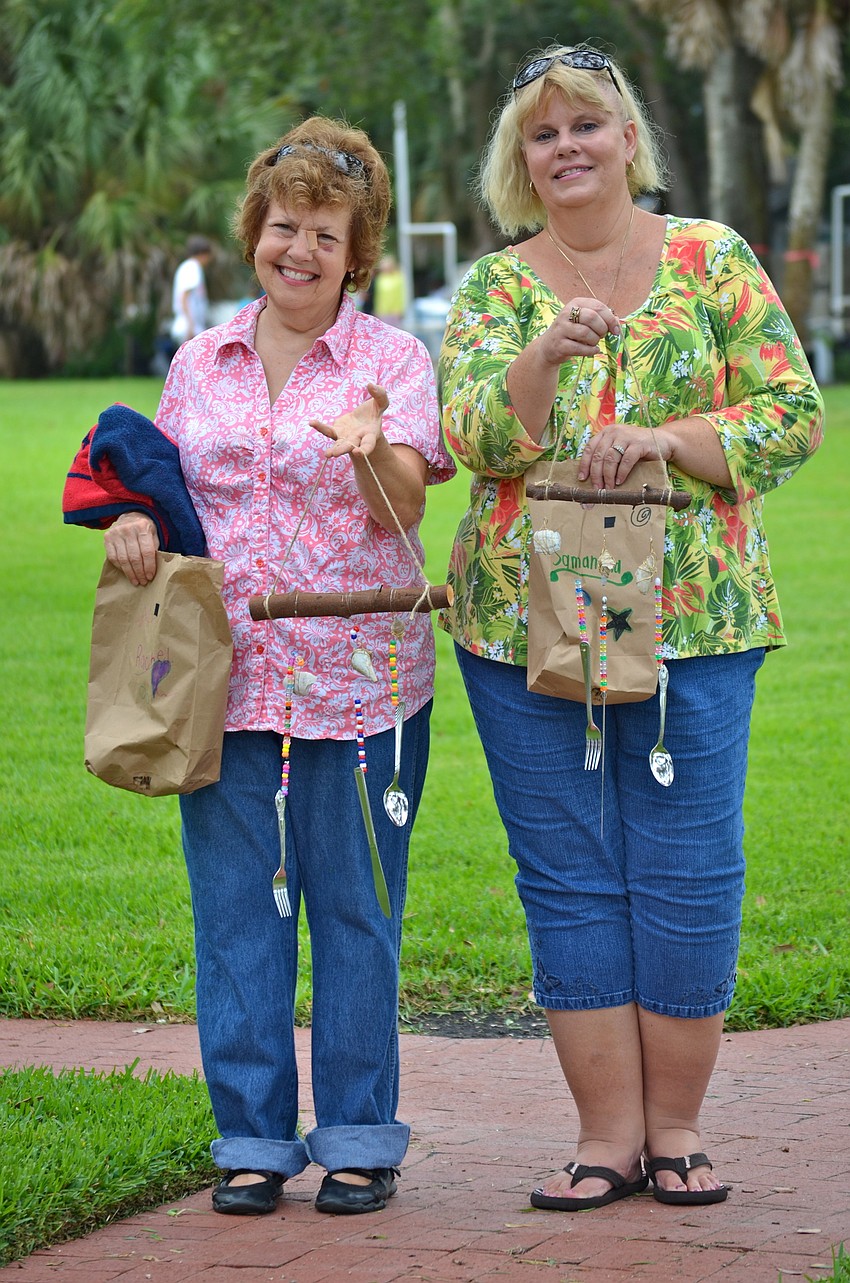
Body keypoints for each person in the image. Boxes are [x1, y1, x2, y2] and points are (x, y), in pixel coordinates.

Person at [438, 45, 823, 1211]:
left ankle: (679, 1128)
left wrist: (664, 439)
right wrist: (540, 367)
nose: (566, 148)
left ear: (626, 141)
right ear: (522, 159)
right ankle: (605, 1135)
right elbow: (467, 436)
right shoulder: (500, 287)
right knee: (566, 874)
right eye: (543, 134)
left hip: (696, 620)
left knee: (686, 870)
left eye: (586, 126)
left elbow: (790, 413)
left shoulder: (712, 258)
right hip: (523, 625)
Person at [69, 117, 455, 1216]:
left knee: (354, 912)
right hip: (221, 679)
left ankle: (359, 1136)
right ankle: (250, 1136)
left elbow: (412, 497)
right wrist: (132, 525)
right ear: (257, 231)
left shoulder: (390, 360)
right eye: (284, 226)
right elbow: (161, 494)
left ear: (356, 251)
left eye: (324, 235)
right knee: (238, 911)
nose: (300, 250)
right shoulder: (200, 361)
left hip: (363, 676)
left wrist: (368, 441)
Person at [170, 235, 213, 345]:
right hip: (188, 326)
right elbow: (184, 296)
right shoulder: (192, 268)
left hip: (190, 325)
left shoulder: (187, 267)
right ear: (203, 254)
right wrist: (190, 325)